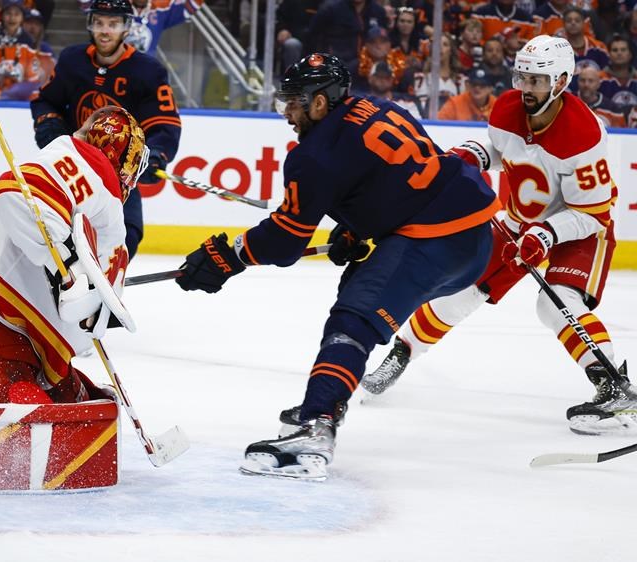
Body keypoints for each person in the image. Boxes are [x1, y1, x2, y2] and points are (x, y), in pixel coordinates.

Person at [174, 53, 498, 480]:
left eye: (294, 103)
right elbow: (395, 176)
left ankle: (316, 423)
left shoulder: (314, 155)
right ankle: (325, 403)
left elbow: (286, 239)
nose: (287, 113)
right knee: (357, 295)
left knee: (353, 321)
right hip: (475, 235)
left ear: (321, 102)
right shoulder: (377, 107)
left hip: (434, 239)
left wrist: (226, 256)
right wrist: (358, 226)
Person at [362, 35, 634, 436]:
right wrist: (472, 154)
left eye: (536, 81)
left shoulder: (584, 135)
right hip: (520, 221)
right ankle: (402, 353)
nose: (525, 88)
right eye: (522, 77)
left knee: (556, 303)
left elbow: (591, 212)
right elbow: (498, 145)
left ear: (560, 82)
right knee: (461, 286)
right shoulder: (508, 106)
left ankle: (611, 385)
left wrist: (546, 233)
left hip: (579, 228)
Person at [0, 106, 148, 404]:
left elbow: (90, 318)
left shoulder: (109, 212)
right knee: (28, 431)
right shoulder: (87, 163)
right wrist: (67, 264)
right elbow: (17, 195)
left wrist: (88, 299)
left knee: (89, 409)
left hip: (23, 342)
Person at [30, 0, 181, 259]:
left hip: (116, 174)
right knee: (49, 227)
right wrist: (49, 121)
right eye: (99, 22)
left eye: (113, 24)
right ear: (90, 23)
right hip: (72, 165)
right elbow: (46, 100)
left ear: (126, 27)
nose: (105, 30)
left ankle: (104, 283)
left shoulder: (148, 71)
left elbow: (165, 123)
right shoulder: (72, 60)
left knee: (127, 236)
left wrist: (155, 153)